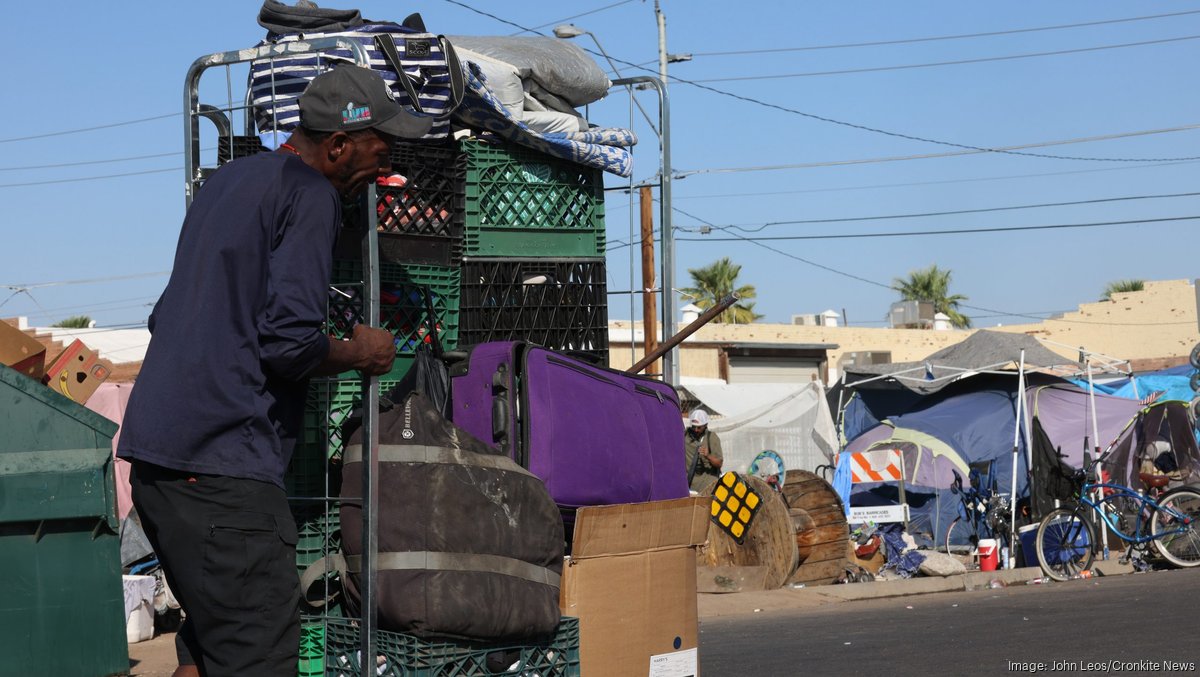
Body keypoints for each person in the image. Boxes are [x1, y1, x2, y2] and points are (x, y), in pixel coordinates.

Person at [116, 66, 432, 677]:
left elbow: (167, 316)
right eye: (378, 150)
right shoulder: (311, 196)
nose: (384, 165)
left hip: (161, 464)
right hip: (222, 470)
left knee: (209, 646)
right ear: (338, 146)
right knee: (258, 653)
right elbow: (288, 345)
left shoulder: (231, 181)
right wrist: (363, 351)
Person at [684, 408, 724, 493]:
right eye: (694, 427)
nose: (696, 430)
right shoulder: (685, 435)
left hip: (707, 485)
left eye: (699, 427)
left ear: (705, 425)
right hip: (689, 485)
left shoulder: (711, 438)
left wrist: (708, 456)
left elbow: (719, 463)